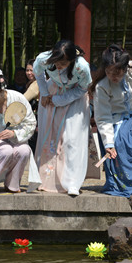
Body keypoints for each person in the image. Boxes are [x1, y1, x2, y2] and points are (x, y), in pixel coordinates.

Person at [89, 44, 132, 197]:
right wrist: (108, 143)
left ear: (126, 67)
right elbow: (103, 117)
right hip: (114, 118)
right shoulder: (102, 86)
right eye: (109, 72)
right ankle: (119, 185)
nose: (114, 76)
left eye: (118, 72)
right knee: (117, 144)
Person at [33, 40, 92, 196]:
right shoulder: (43, 58)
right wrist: (44, 92)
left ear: (72, 60)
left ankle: (72, 182)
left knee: (71, 138)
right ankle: (46, 179)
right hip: (51, 92)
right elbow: (38, 73)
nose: (58, 65)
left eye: (63, 62)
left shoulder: (81, 67)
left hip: (75, 97)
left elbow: (84, 87)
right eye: (56, 61)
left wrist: (62, 99)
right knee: (49, 134)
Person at [23, 59, 39, 152]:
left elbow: (23, 100)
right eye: (27, 70)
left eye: (31, 70)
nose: (29, 73)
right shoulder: (34, 83)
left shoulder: (36, 84)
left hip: (36, 120)